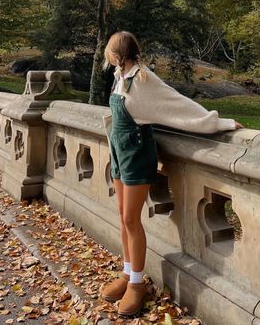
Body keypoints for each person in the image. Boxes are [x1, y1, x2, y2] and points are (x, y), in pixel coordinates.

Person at [100, 31, 243, 316]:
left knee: (131, 219)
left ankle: (137, 285)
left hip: (138, 155)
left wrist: (219, 122)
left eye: (109, 53)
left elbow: (177, 104)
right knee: (122, 217)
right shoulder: (120, 76)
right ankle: (127, 274)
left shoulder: (142, 80)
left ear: (117, 54)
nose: (108, 58)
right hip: (119, 152)